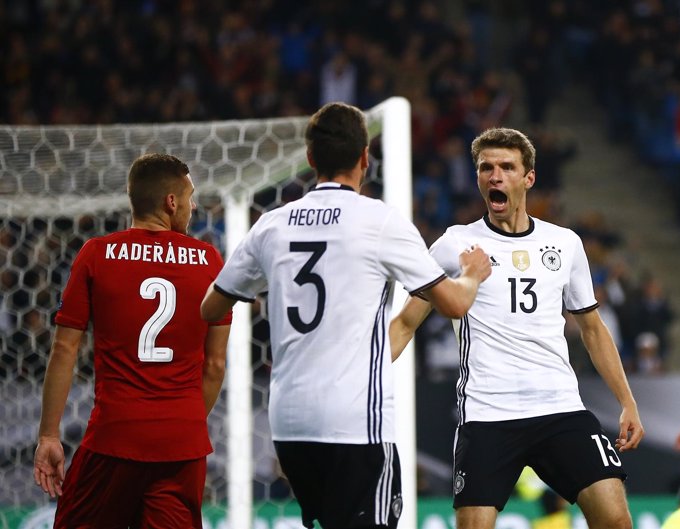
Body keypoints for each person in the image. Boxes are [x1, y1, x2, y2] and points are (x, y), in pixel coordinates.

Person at [200, 101, 491, 529]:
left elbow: (211, 305)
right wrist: (471, 274)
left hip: (291, 426)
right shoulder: (378, 221)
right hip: (356, 425)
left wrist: (261, 293)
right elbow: (455, 304)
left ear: (310, 158)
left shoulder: (271, 225)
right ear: (365, 158)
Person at [390, 127, 644, 529]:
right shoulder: (455, 244)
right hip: (488, 413)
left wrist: (627, 401)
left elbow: (592, 329)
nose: (495, 176)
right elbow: (405, 322)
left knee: (615, 519)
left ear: (528, 178)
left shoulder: (564, 243)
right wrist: (358, 376)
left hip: (559, 407)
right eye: (485, 168)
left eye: (507, 167)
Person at [33, 153, 232, 529]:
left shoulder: (96, 253)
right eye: (189, 197)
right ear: (171, 202)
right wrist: (178, 422)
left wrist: (48, 435)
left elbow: (64, 349)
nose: (192, 206)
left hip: (114, 437)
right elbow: (215, 364)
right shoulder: (208, 261)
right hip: (181, 445)